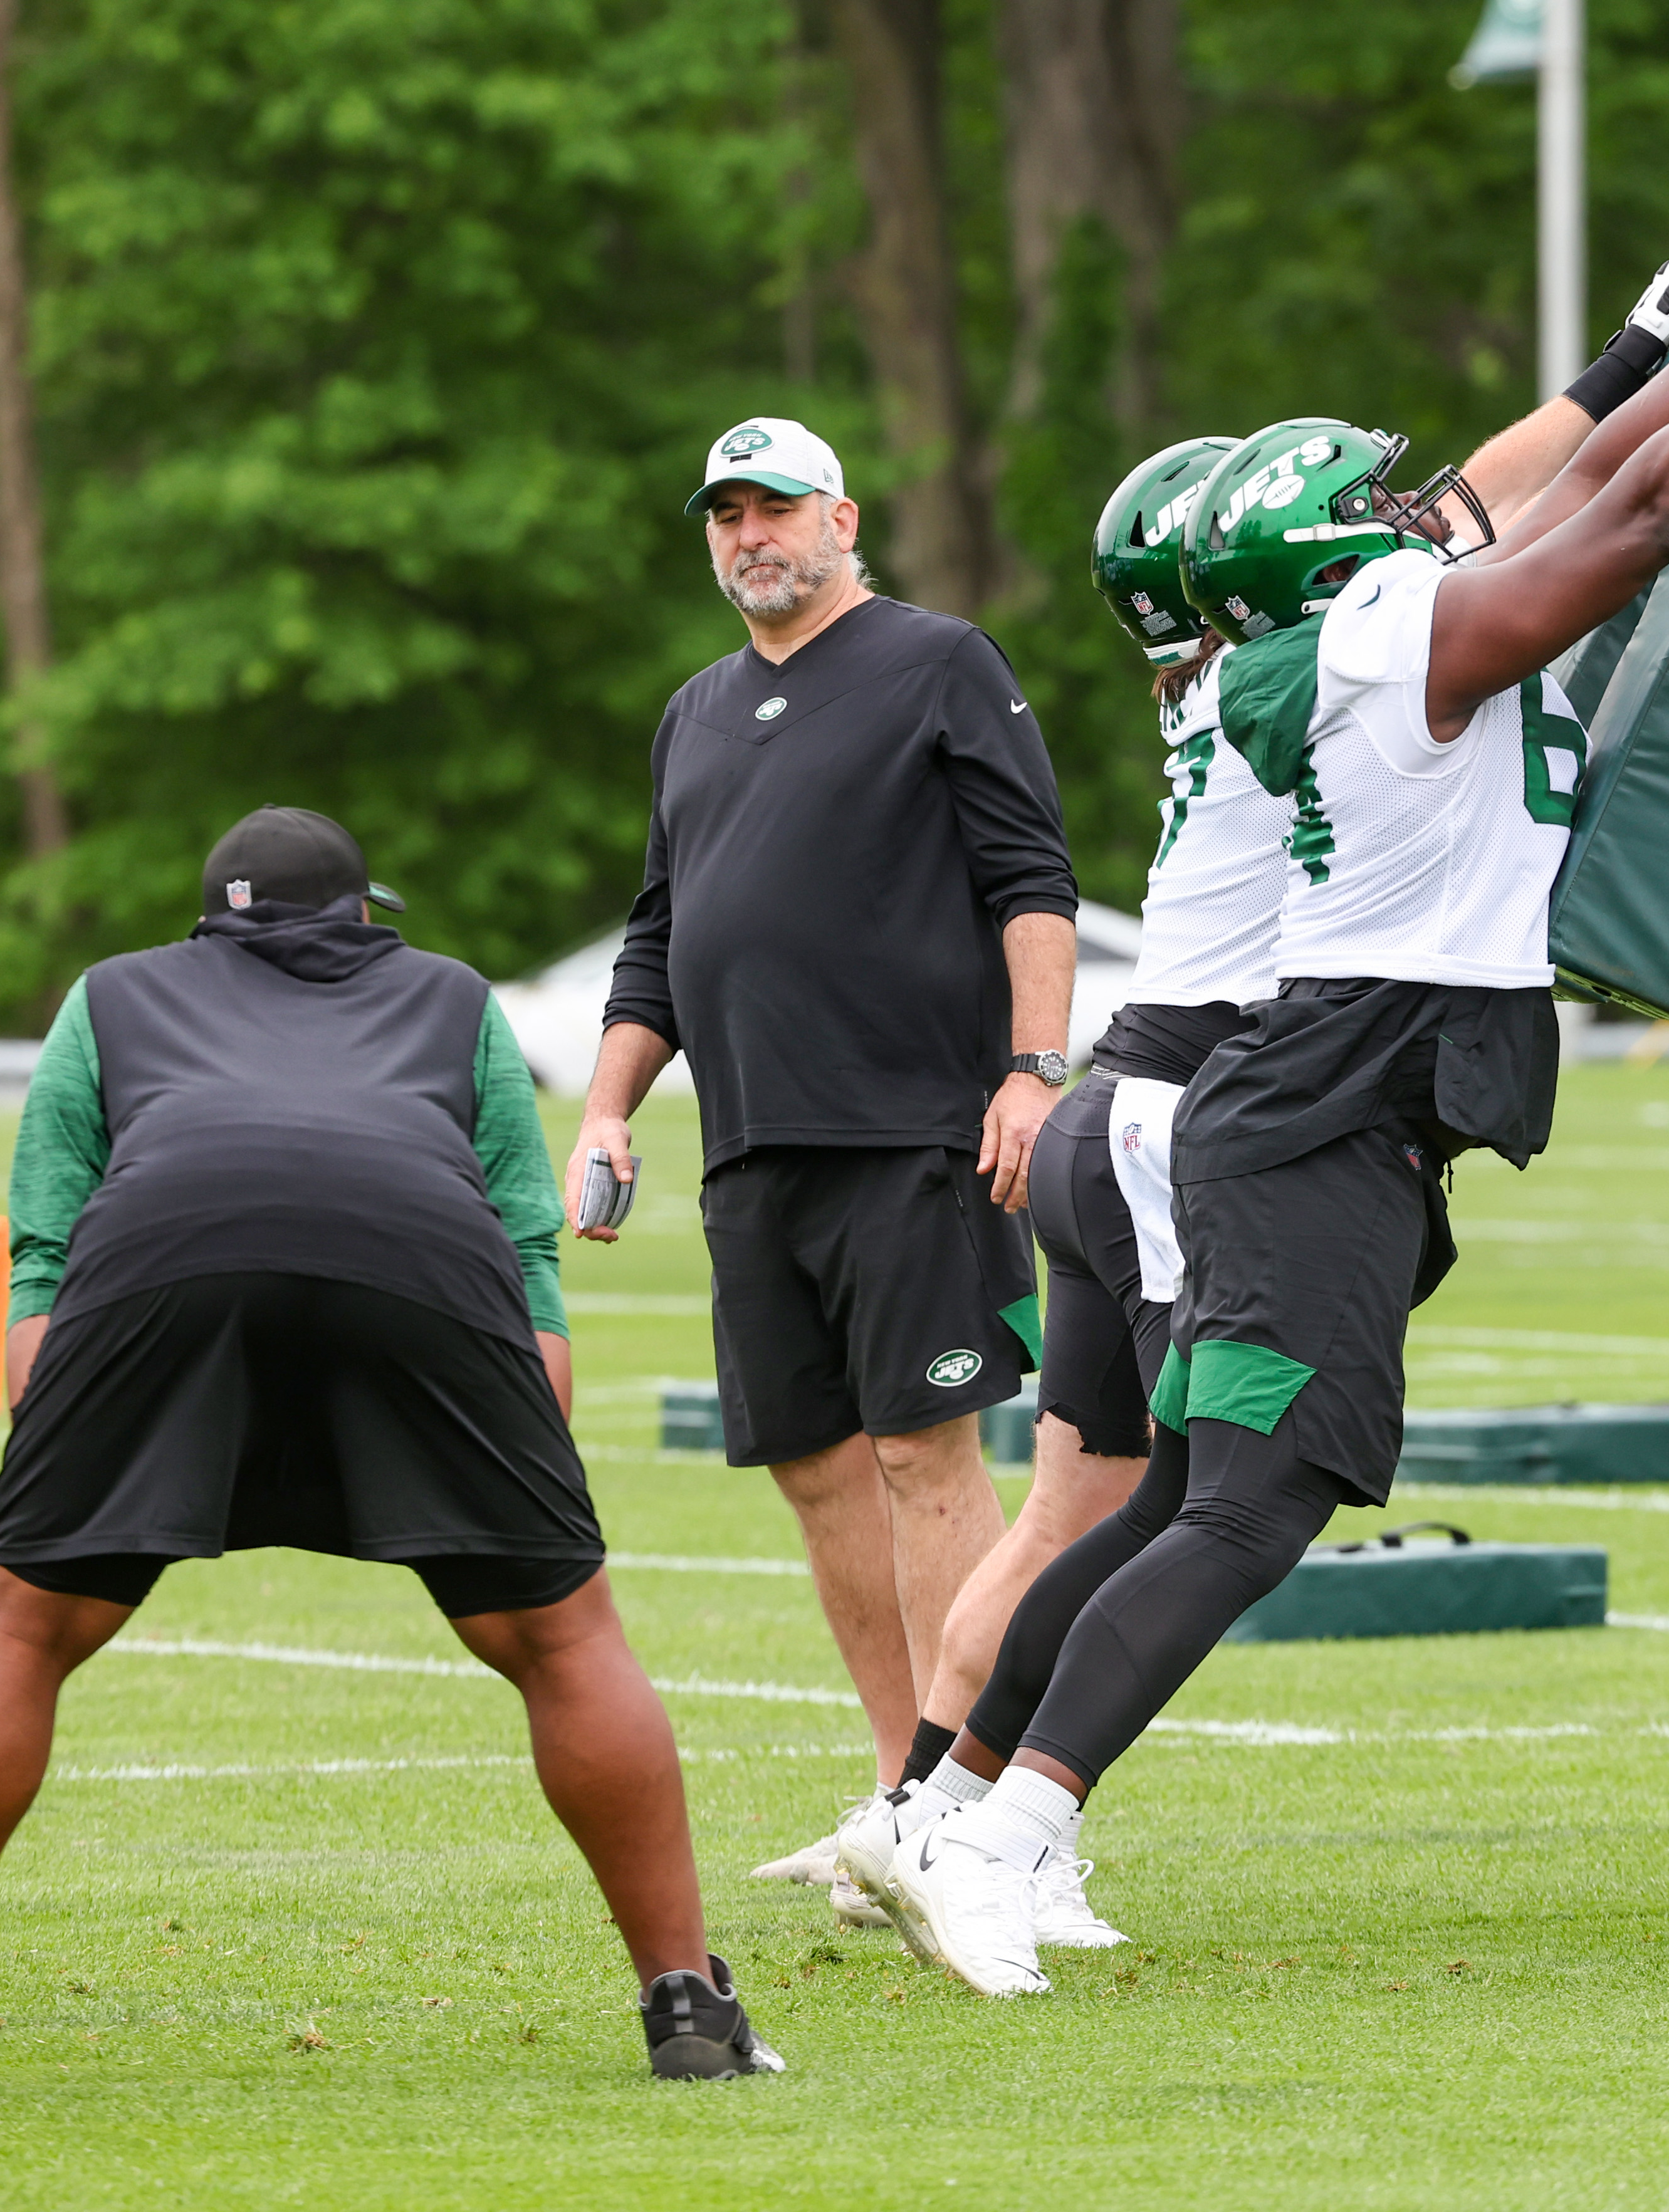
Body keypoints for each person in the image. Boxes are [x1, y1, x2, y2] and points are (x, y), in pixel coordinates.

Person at [888, 204, 1669, 1995]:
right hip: (1324, 1101)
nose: (1421, 512)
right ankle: (996, 1843)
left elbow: (1596, 477)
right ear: (1328, 547)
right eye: (1380, 506)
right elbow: (1631, 517)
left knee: (1175, 1506)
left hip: (1305, 1084)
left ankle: (966, 1817)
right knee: (1244, 1514)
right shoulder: (1385, 642)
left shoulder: (1343, 626)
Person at [0, 808, 775, 2092]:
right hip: (421, 1258)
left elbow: (43, 1260)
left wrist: (52, 1496)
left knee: (13, 1631)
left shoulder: (108, 996)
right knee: (565, 1639)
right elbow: (526, 1262)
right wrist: (534, 1517)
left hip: (161, 1253)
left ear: (211, 922)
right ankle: (689, 2009)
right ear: (361, 917)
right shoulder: (452, 998)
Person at [573, 417, 1080, 1924]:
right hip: (753, 1153)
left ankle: (985, 1807)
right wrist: (608, 1110)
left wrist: (1031, 1073)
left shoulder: (937, 660)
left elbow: (1031, 881)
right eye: (724, 515)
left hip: (914, 1136)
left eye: (773, 508)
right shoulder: (695, 711)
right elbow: (661, 934)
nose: (748, 536)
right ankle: (897, 1793)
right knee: (814, 1471)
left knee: (930, 1459)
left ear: (840, 516)